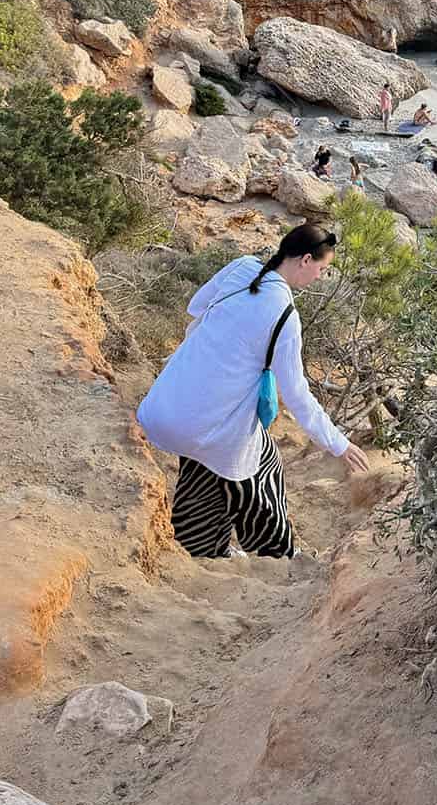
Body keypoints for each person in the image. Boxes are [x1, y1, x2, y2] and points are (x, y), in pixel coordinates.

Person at [136, 224, 370, 561]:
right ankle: (277, 552)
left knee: (210, 465)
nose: (321, 277)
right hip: (201, 424)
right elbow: (298, 395)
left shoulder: (242, 266)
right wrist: (339, 443)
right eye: (322, 268)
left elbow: (195, 306)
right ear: (305, 260)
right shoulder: (285, 316)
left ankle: (201, 544)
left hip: (164, 406)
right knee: (263, 464)